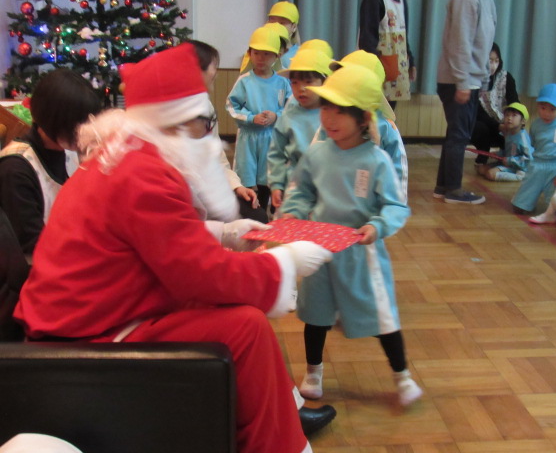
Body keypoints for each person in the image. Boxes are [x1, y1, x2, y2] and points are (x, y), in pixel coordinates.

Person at [13, 43, 336, 453]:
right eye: (202, 123)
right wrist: (283, 263)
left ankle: (277, 419)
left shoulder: (129, 154)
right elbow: (198, 273)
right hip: (87, 333)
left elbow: (153, 240)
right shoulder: (143, 173)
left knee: (237, 317)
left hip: (91, 314)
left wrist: (222, 234)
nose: (209, 138)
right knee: (245, 327)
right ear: (176, 123)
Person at [281, 64, 423, 407]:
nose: (329, 118)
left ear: (363, 119)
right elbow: (301, 191)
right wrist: (293, 213)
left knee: (381, 314)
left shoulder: (376, 160)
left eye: (341, 111)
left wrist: (377, 226)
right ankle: (313, 372)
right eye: (326, 107)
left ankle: (402, 375)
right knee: (315, 314)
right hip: (319, 248)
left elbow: (395, 205)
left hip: (361, 253)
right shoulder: (317, 153)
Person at [0, 69, 102, 257]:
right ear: (56, 120)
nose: (86, 132)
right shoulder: (15, 167)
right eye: (79, 125)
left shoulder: (67, 150)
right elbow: (31, 244)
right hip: (39, 266)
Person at [433, 0, 500, 205]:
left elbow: (484, 46)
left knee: (457, 134)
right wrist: (462, 82)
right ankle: (453, 189)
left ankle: (443, 186)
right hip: (457, 80)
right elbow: (460, 44)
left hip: (470, 80)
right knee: (459, 135)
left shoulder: (487, 0)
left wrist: (483, 81)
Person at [314, 50, 409, 202]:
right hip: (331, 203)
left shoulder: (386, 129)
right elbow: (314, 159)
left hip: (369, 209)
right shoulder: (330, 122)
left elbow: (398, 175)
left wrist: (394, 207)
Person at [189, 39, 267, 223]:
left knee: (256, 214)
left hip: (208, 188)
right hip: (185, 198)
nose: (210, 88)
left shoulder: (205, 106)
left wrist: (236, 186)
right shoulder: (165, 115)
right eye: (210, 77)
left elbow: (217, 157)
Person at [226, 26, 292, 213]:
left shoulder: (282, 83)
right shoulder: (244, 81)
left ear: (277, 55)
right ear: (250, 53)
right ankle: (249, 211)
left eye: (267, 54)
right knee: (246, 176)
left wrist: (276, 116)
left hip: (272, 138)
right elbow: (231, 106)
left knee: (268, 177)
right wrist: (250, 118)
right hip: (248, 138)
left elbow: (290, 109)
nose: (261, 58)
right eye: (257, 53)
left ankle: (267, 211)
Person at [268, 48, 333, 212]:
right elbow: (276, 153)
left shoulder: (334, 114)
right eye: (295, 83)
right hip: (295, 186)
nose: (301, 88)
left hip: (327, 185)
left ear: (324, 82)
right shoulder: (288, 116)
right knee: (293, 223)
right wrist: (276, 184)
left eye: (308, 81)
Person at [511, 83, 556, 214]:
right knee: (519, 207)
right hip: (538, 164)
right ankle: (526, 202)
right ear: (538, 105)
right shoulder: (536, 125)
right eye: (543, 108)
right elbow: (534, 143)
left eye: (552, 109)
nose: (546, 113)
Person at [358, 0, 416, 108]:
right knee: (375, 113)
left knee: (389, 114)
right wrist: (379, 70)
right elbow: (367, 40)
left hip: (396, 70)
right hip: (379, 71)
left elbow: (404, 35)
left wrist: (410, 61)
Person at [470, 43, 520, 167]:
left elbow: (515, 103)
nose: (493, 65)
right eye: (490, 61)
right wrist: (498, 126)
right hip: (488, 125)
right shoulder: (474, 80)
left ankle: (509, 155)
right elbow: (477, 112)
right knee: (477, 127)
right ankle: (483, 153)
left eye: (496, 61)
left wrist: (512, 123)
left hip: (506, 124)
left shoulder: (506, 78)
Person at [476, 102, 531, 182]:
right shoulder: (508, 133)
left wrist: (510, 160)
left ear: (523, 121)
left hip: (519, 167)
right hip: (507, 163)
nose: (509, 118)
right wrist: (498, 154)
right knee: (481, 169)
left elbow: (528, 159)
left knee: (490, 174)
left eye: (514, 115)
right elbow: (509, 151)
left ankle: (520, 176)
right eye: (507, 115)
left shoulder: (522, 138)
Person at [268, 1, 301, 69]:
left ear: (294, 27)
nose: (276, 25)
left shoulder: (300, 55)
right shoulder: (258, 51)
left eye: (282, 23)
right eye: (272, 21)